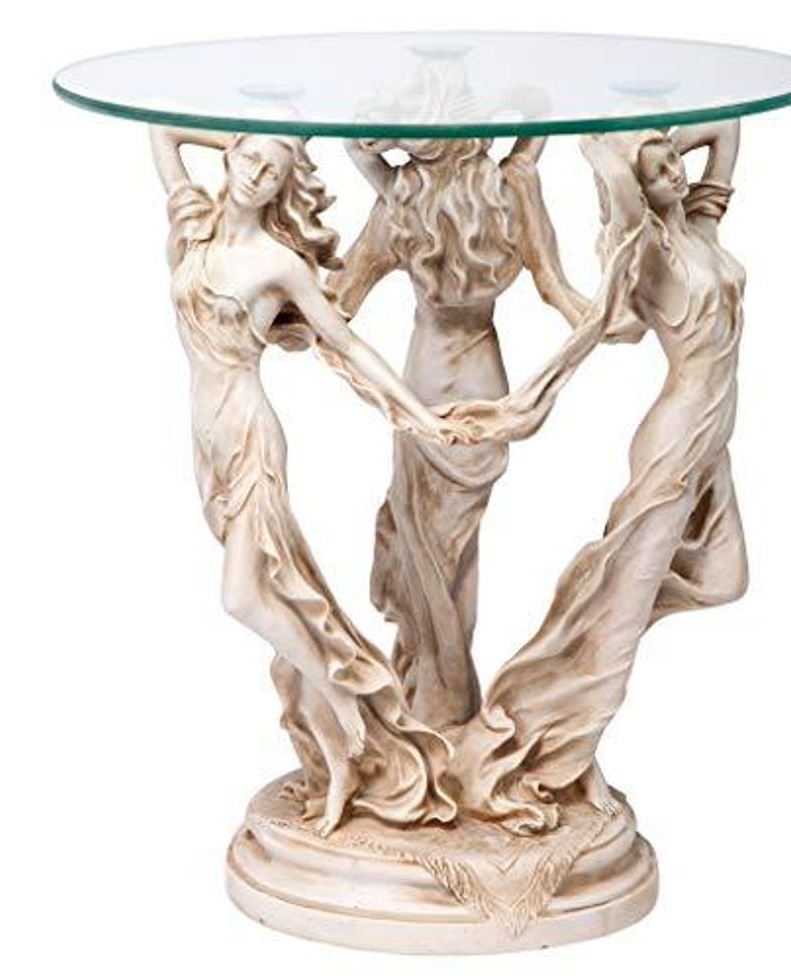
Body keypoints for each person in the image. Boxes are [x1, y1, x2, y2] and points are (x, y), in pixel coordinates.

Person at [149, 127, 472, 834]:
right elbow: (162, 130)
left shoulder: (277, 264)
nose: (256, 173)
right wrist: (268, 131)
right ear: (229, 155)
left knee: (245, 595)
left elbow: (347, 342)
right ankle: (338, 760)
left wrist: (419, 414)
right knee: (281, 606)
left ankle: (350, 702)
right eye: (248, 158)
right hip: (203, 438)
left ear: (282, 188)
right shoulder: (196, 230)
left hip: (247, 434)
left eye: (272, 170)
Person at [448, 121, 750, 834]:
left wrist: (649, 133)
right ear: (637, 190)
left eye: (675, 161)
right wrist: (606, 143)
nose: (676, 171)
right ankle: (561, 753)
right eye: (660, 169)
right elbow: (617, 194)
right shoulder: (645, 253)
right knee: (618, 607)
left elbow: (728, 127)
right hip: (679, 434)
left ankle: (575, 660)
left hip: (714, 438)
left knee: (723, 576)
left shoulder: (701, 229)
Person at [331, 135, 588, 728]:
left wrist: (274, 299)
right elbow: (555, 287)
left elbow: (342, 296)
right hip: (483, 378)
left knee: (427, 545)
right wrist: (601, 319)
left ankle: (440, 696)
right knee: (453, 547)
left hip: (424, 380)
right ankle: (444, 690)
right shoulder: (508, 192)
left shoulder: (403, 201)